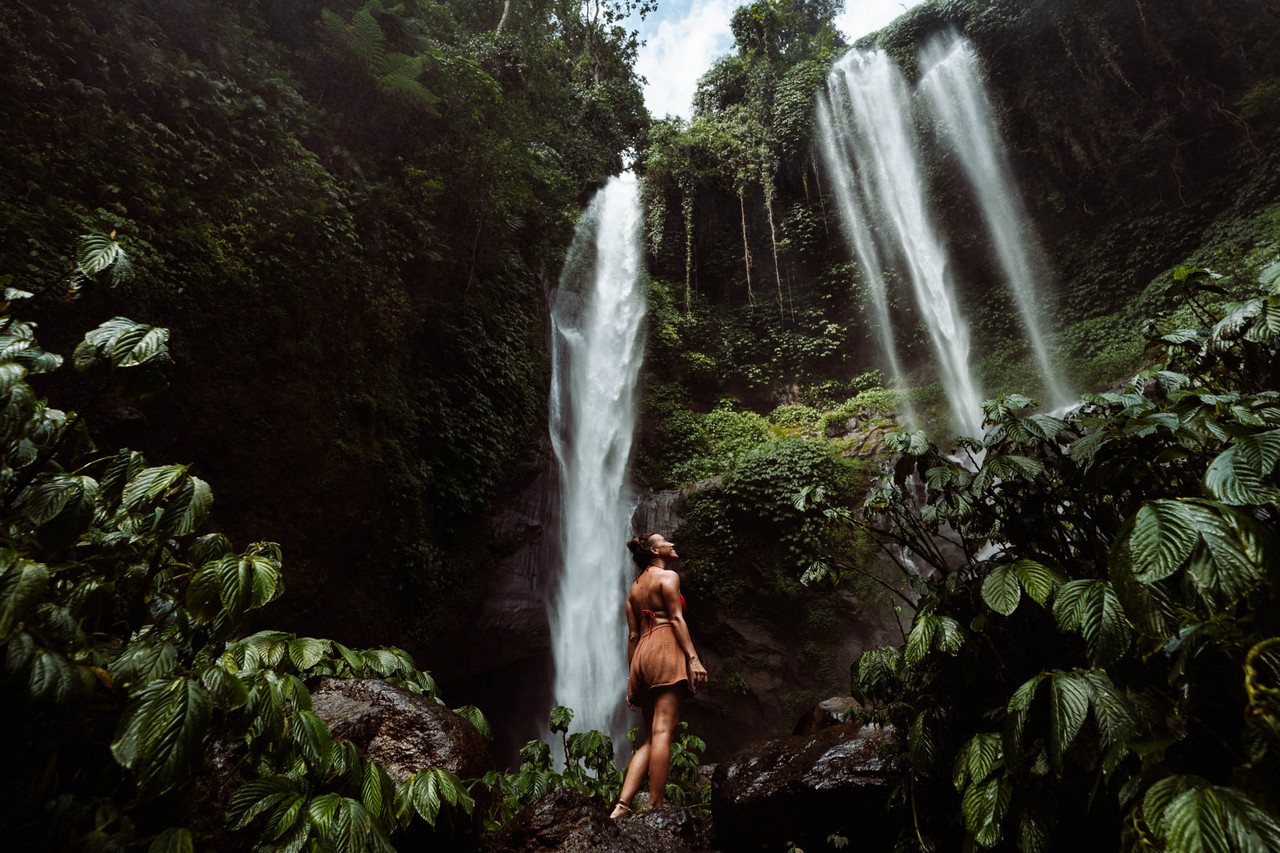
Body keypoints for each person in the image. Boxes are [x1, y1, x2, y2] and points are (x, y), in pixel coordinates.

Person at [610, 532, 709, 819]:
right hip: (664, 647)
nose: (672, 544)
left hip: (642, 655)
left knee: (651, 737)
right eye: (666, 541)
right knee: (664, 730)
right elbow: (676, 618)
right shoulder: (668, 578)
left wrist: (631, 678)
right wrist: (693, 659)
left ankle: (621, 806)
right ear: (655, 550)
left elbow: (632, 635)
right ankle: (656, 807)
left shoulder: (634, 588)